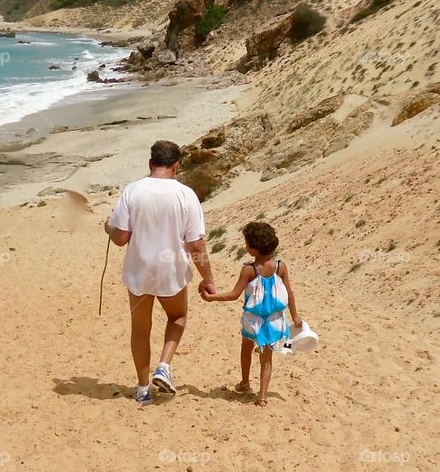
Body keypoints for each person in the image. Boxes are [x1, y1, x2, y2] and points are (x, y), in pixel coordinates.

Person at [104, 140, 216, 405]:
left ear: (150, 163)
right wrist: (207, 278)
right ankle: (164, 366)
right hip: (171, 271)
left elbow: (120, 238)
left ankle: (143, 389)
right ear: (176, 166)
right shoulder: (186, 194)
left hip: (139, 270)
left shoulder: (133, 191)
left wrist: (107, 227)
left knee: (140, 329)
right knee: (177, 317)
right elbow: (196, 244)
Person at [201, 221, 302, 407]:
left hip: (252, 321)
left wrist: (212, 297)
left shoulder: (249, 269)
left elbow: (233, 295)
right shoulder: (281, 267)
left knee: (246, 348)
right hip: (275, 320)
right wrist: (295, 315)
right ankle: (262, 397)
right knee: (267, 360)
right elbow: (289, 293)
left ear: (252, 248)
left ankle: (245, 382)